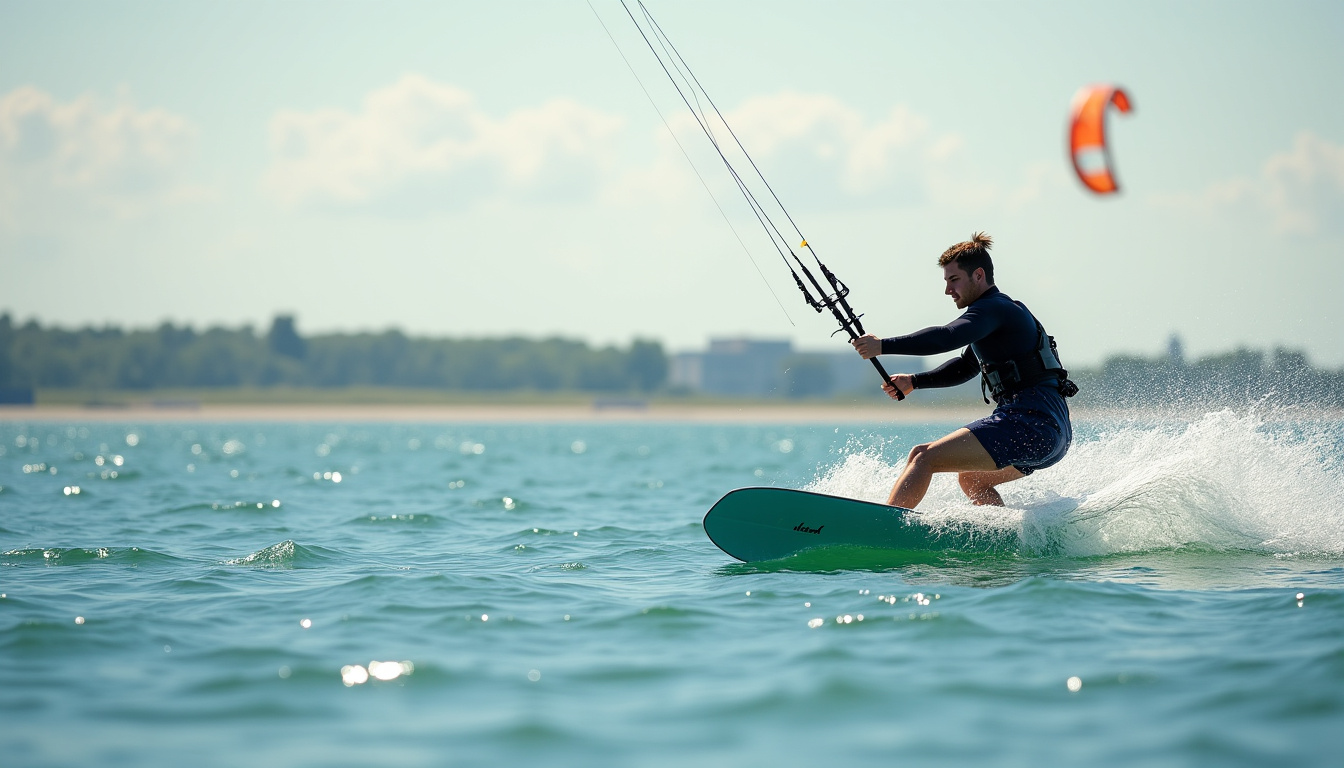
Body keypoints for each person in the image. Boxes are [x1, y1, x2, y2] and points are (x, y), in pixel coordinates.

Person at [851, 232, 1077, 509]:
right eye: (946, 281)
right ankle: (1001, 539)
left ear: (978, 275)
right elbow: (966, 366)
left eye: (954, 279)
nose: (948, 290)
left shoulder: (994, 310)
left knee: (923, 456)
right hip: (1053, 434)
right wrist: (914, 381)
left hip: (1031, 423)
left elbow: (946, 336)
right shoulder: (1002, 315)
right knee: (972, 479)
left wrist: (882, 345)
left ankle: (885, 528)